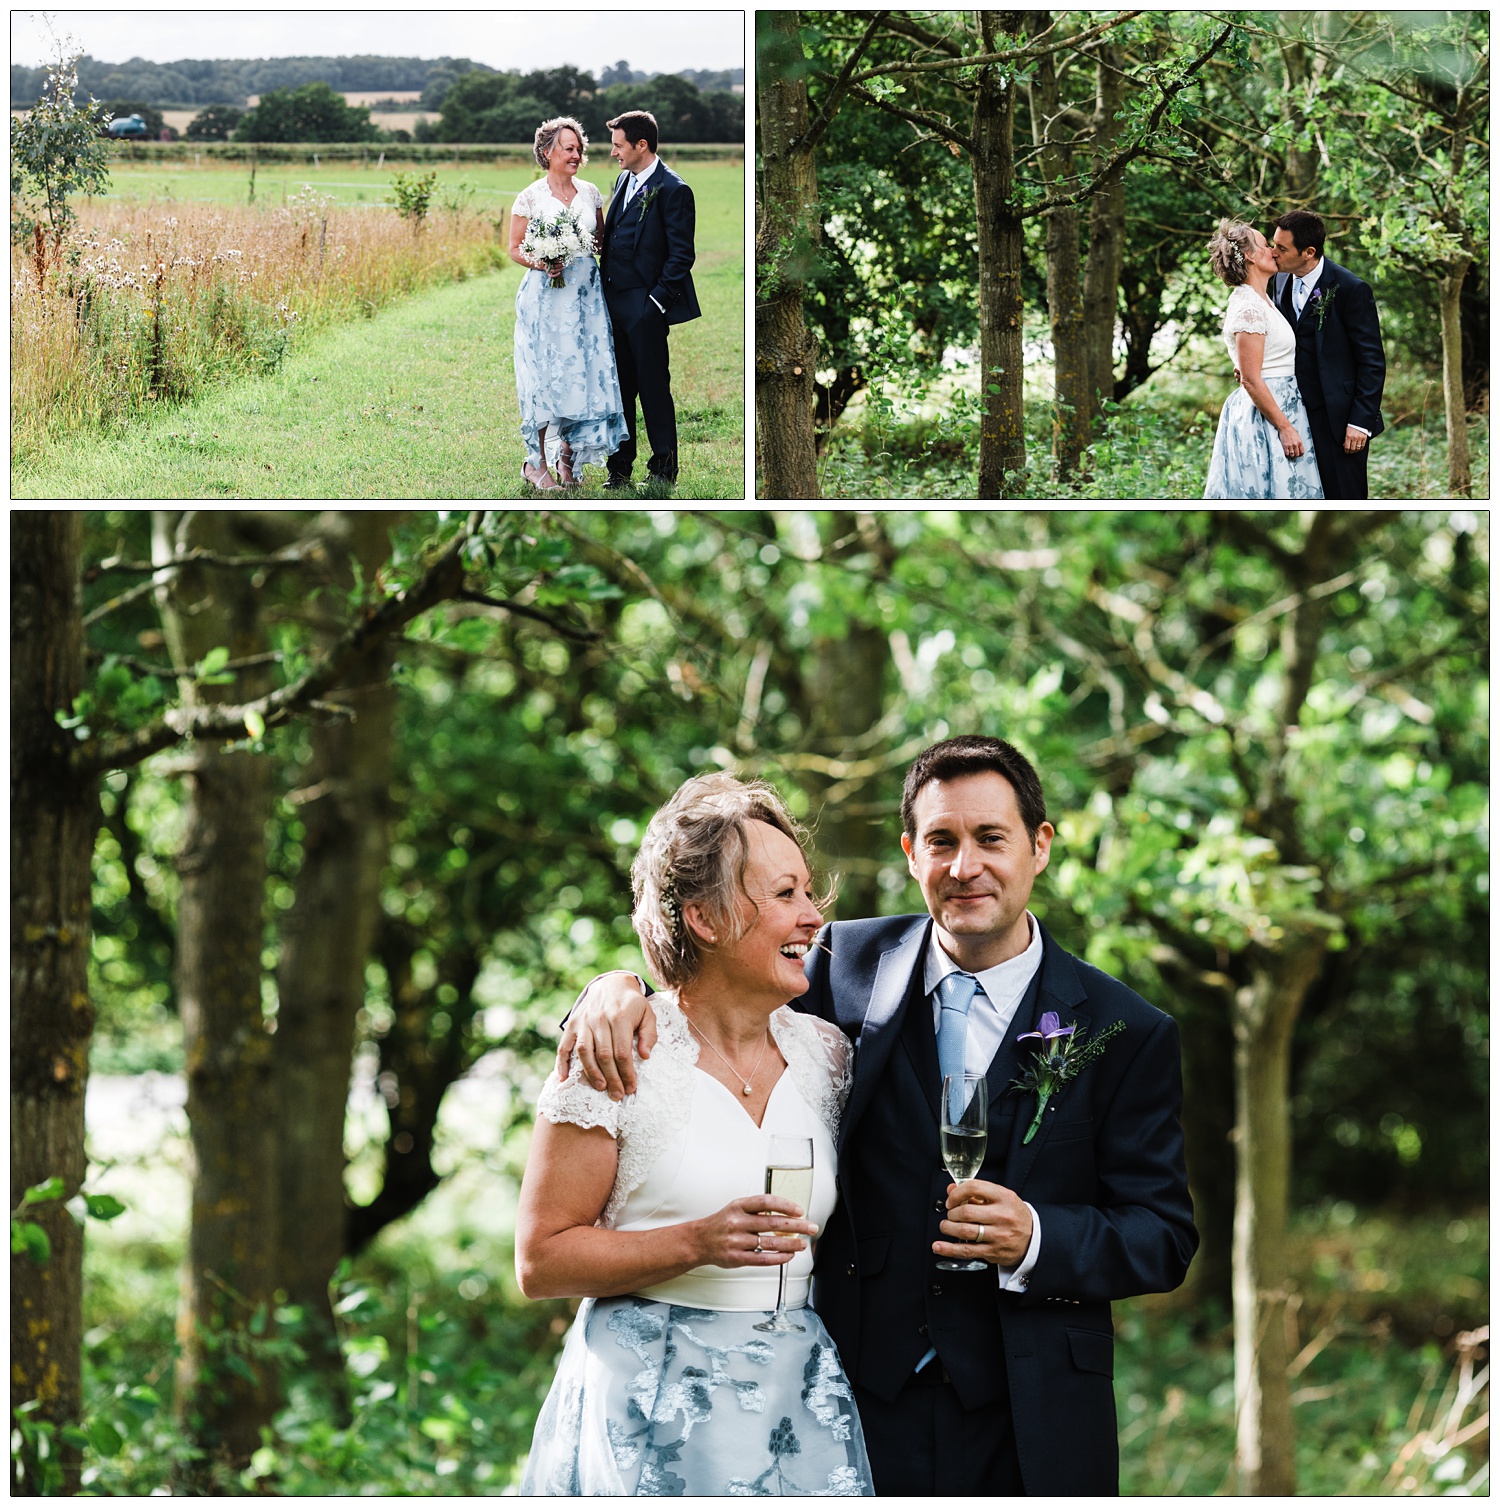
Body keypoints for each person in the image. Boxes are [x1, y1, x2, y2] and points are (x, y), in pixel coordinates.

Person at [563, 736, 1199, 1496]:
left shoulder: (1125, 1030)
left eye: (990, 838)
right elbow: (708, 995)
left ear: (1040, 844)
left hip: (1030, 1412)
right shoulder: (835, 964)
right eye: (941, 841)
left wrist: (1038, 1236)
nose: (965, 867)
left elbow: (1162, 1234)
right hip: (849, 1399)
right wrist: (611, 986)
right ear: (909, 852)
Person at [516, 774, 874, 1496]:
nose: (813, 917)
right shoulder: (615, 1053)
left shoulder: (829, 1056)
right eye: (784, 895)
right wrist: (696, 1243)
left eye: (809, 892)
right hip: (647, 1399)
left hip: (795, 1399)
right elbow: (541, 1259)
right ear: (705, 918)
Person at [509, 116, 629, 491]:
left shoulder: (591, 193)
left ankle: (568, 460)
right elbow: (514, 249)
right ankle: (536, 464)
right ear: (548, 152)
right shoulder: (529, 197)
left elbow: (600, 243)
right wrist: (544, 259)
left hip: (586, 298)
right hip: (545, 298)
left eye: (580, 149)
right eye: (568, 148)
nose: (576, 155)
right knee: (546, 377)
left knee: (582, 373)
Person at [598, 110, 701, 492]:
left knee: (654, 389)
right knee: (619, 389)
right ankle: (619, 468)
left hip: (646, 306)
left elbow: (681, 256)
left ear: (642, 145)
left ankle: (663, 469)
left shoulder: (675, 189)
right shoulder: (624, 178)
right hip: (613, 303)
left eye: (619, 145)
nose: (614, 153)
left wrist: (655, 304)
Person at [1269, 208, 1387, 500]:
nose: (1273, 253)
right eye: (1274, 244)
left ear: (1308, 252)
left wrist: (1360, 422)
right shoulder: (1280, 280)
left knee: (1343, 496)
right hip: (1293, 414)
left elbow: (1372, 361)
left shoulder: (1351, 289)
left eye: (1281, 248)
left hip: (1340, 420)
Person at [1203, 218, 1324, 500]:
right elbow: (1251, 379)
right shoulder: (1248, 307)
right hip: (1267, 415)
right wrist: (1284, 427)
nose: (1273, 250)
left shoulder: (1262, 300)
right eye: (1266, 245)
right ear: (1250, 256)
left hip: (1284, 403)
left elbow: (1254, 364)